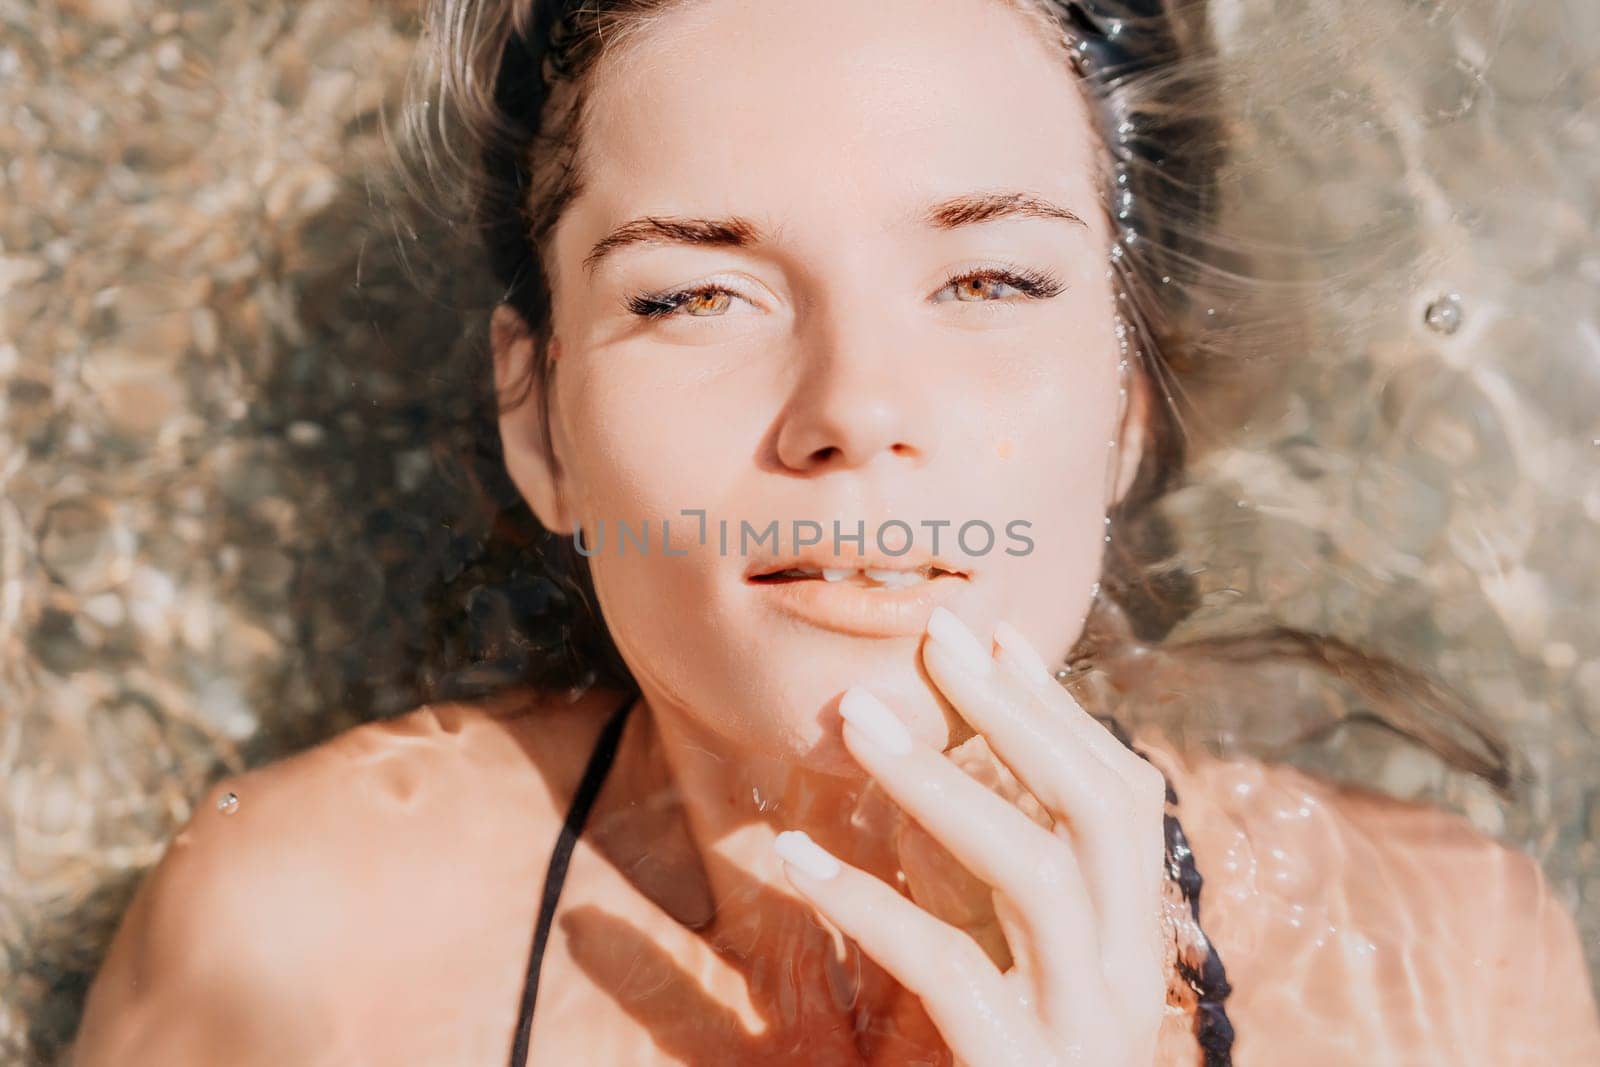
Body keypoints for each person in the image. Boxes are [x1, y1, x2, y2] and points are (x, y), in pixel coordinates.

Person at [71, 0, 1600, 1064]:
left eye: (991, 281)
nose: (855, 409)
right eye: (691, 293)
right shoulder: (295, 949)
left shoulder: (1441, 965)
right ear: (541, 426)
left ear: (1128, 406)